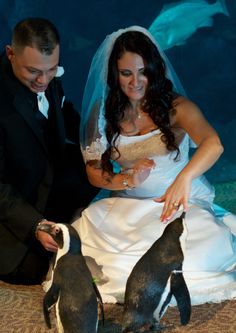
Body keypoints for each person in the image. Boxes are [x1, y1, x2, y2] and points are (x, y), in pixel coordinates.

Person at [71, 25, 236, 305]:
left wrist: (183, 180)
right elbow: (93, 172)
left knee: (192, 259)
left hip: (180, 204)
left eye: (143, 71)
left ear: (154, 71)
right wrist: (127, 181)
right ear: (114, 74)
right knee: (98, 256)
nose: (136, 81)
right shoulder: (103, 112)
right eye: (126, 73)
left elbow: (213, 144)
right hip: (127, 205)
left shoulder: (178, 108)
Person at [0, 17, 99, 285]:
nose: (43, 80)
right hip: (12, 197)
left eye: (52, 69)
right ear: (10, 53)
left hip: (44, 176)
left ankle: (66, 215)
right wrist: (36, 225)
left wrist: (97, 140)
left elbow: (64, 113)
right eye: (33, 71)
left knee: (96, 164)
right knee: (29, 271)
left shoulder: (46, 76)